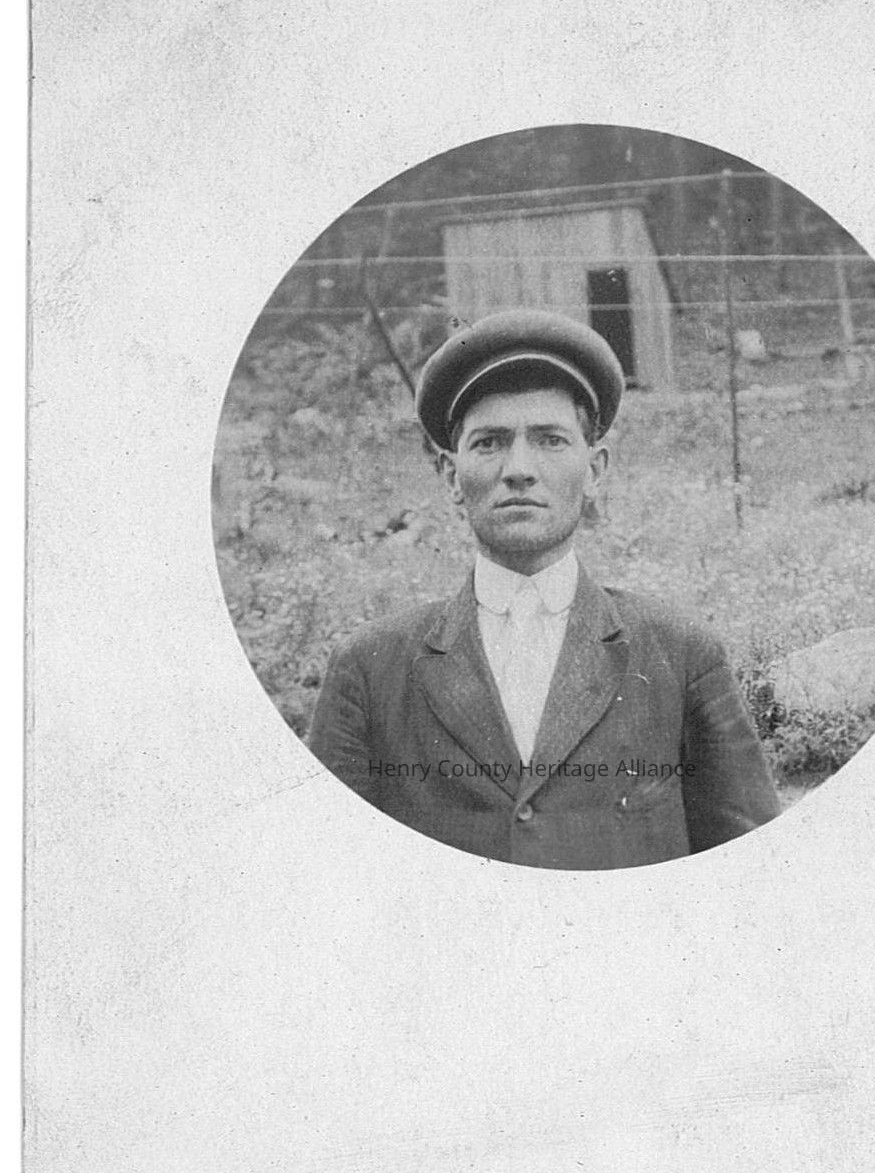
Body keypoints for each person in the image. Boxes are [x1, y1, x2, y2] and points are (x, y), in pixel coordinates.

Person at [308, 309, 780, 868]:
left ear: (595, 470)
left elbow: (751, 870)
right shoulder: (369, 668)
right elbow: (328, 875)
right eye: (489, 443)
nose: (519, 469)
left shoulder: (681, 655)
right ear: (451, 476)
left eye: (550, 440)